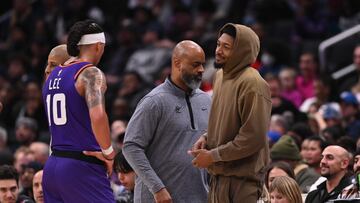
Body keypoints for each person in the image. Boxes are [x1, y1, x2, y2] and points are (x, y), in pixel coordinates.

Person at [189, 23, 272, 202]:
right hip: (218, 179)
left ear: (242, 51)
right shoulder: (220, 76)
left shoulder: (253, 83)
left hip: (243, 183)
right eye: (219, 44)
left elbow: (253, 138)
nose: (218, 50)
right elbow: (222, 121)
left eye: (226, 47)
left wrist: (213, 156)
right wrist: (206, 137)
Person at [123, 40, 210, 203]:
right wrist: (157, 188)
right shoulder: (154, 101)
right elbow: (131, 146)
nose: (201, 70)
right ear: (177, 63)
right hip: (158, 199)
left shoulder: (207, 101)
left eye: (202, 65)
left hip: (199, 198)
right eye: (195, 64)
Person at [42, 20, 115, 202]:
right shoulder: (90, 73)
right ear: (98, 46)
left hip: (52, 166)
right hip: (80, 166)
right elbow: (98, 116)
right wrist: (108, 153)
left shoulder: (51, 76)